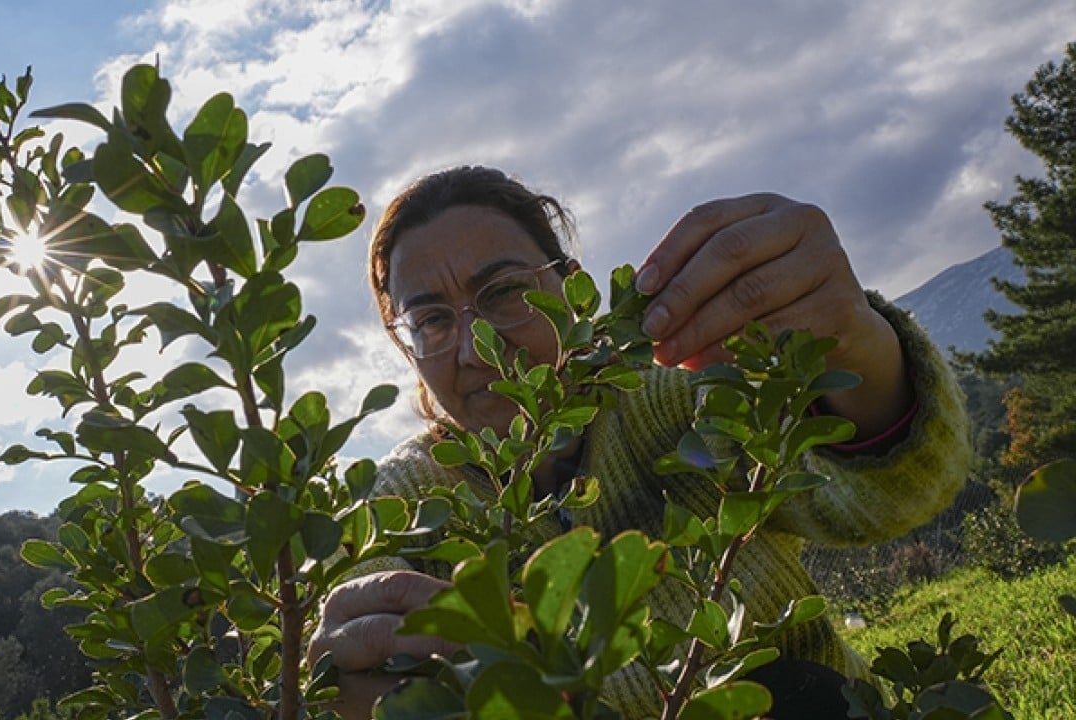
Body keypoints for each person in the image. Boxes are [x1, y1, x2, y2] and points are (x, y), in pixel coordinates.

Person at [307, 166, 970, 718]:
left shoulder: (675, 402)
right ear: (407, 346)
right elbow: (359, 600)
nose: (479, 345)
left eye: (505, 291)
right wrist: (351, 663)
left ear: (569, 288)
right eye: (429, 319)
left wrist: (856, 345)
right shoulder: (405, 499)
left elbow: (880, 498)